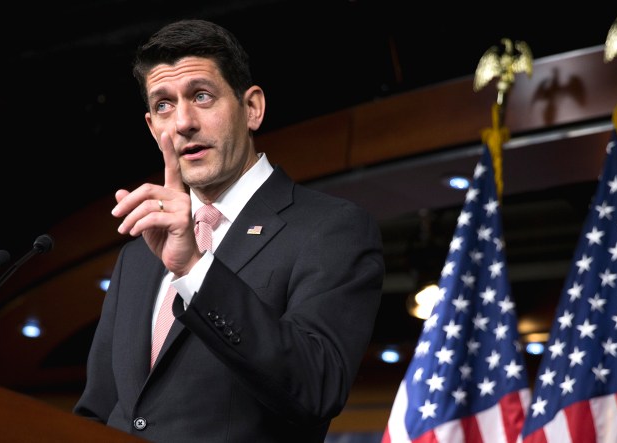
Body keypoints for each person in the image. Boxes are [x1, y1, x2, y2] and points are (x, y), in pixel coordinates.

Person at [73, 18, 385, 443]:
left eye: (201, 96)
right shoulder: (137, 256)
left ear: (252, 108)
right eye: (164, 105)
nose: (183, 122)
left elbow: (316, 387)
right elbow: (96, 412)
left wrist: (194, 269)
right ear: (152, 128)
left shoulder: (331, 228)